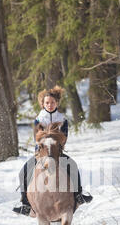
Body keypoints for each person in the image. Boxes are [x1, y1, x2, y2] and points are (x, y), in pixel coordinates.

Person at [13, 86, 93, 216]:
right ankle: (25, 203)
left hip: (57, 153)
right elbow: (37, 138)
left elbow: (64, 137)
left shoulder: (63, 120)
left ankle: (78, 195)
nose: (50, 105)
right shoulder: (38, 119)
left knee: (72, 165)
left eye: (52, 102)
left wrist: (56, 143)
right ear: (43, 104)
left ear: (57, 103)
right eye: (47, 103)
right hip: (41, 153)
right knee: (24, 171)